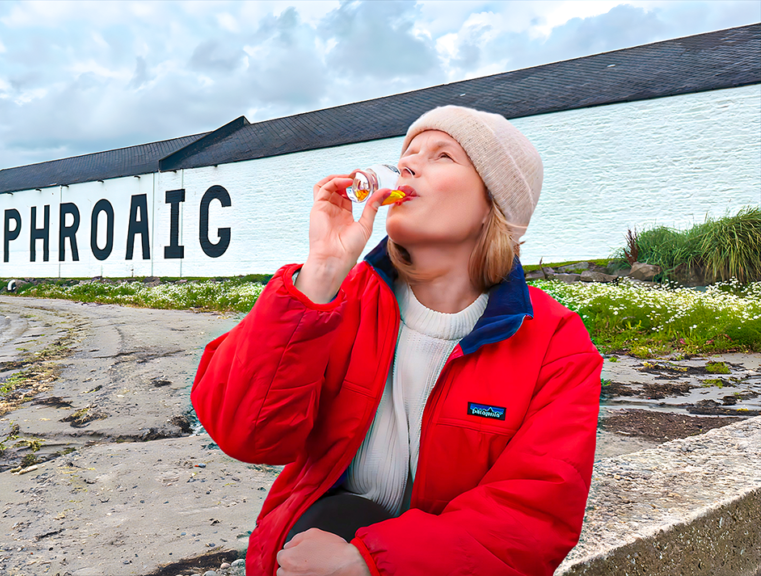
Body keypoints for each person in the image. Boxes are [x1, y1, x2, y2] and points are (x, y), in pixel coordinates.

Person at [191, 105, 602, 576]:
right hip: (317, 542)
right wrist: (320, 272)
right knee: (340, 515)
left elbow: (532, 518)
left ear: (495, 202)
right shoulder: (337, 301)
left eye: (443, 155)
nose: (407, 165)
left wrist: (368, 564)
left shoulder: (556, 342)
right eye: (407, 154)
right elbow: (245, 434)